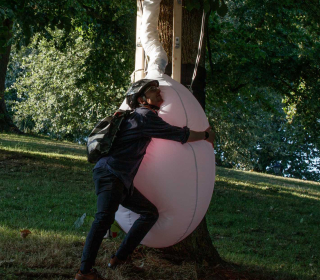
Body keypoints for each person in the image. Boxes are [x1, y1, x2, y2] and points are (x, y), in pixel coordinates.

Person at [75, 79, 215, 280]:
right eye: (153, 90)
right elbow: (178, 134)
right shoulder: (144, 117)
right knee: (102, 219)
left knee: (149, 213)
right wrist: (206, 135)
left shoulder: (136, 117)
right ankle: (84, 272)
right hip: (111, 174)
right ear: (142, 99)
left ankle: (120, 258)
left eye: (158, 89)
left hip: (120, 179)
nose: (159, 92)